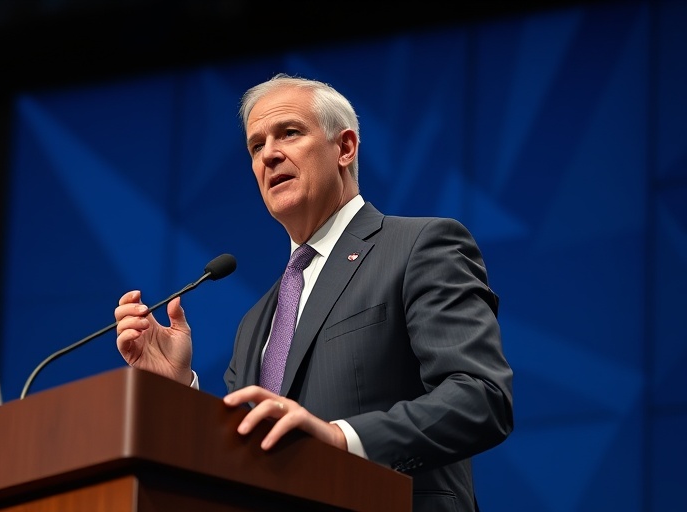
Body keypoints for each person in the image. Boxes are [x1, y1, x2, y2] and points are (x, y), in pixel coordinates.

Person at [114, 73, 513, 512]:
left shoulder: (419, 246)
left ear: (344, 148)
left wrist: (341, 440)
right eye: (255, 145)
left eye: (289, 132)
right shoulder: (256, 323)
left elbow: (481, 398)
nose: (269, 154)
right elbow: (238, 462)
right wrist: (179, 393)